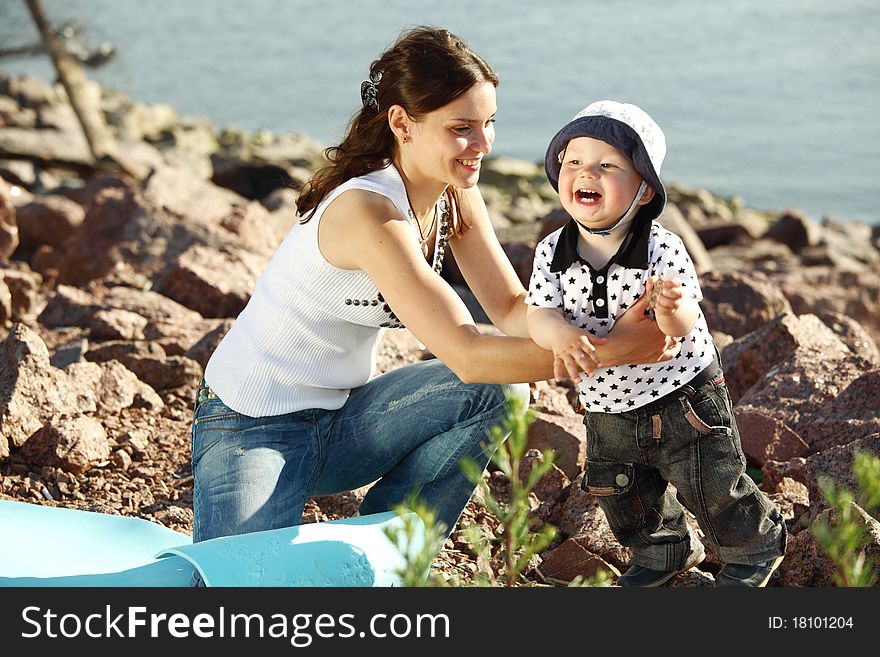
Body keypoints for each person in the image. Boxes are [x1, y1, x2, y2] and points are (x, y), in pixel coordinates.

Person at [190, 28, 674, 571]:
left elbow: (512, 309)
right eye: (462, 128)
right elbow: (466, 354)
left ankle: (386, 557)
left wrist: (592, 331)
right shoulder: (367, 212)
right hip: (251, 425)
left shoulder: (455, 193)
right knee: (236, 593)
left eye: (489, 123)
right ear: (402, 123)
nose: (484, 144)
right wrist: (619, 350)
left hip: (340, 422)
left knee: (501, 394)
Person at [526, 100, 786, 587]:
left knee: (709, 481)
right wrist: (559, 333)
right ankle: (664, 549)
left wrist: (670, 310)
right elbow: (538, 312)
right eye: (574, 161)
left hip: (682, 394)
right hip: (605, 398)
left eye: (607, 165)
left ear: (643, 189)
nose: (587, 173)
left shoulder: (659, 246)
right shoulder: (551, 251)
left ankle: (755, 544)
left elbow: (688, 317)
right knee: (620, 489)